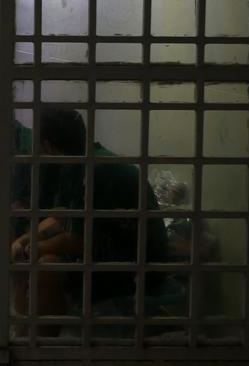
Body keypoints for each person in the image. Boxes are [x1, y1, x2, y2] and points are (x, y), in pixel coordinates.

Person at [9, 107, 169, 334]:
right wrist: (25, 240)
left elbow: (77, 240)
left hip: (140, 264)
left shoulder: (98, 171)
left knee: (47, 266)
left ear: (47, 146)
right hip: (114, 248)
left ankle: (39, 342)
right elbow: (62, 216)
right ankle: (25, 329)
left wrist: (34, 247)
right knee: (29, 252)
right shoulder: (76, 164)